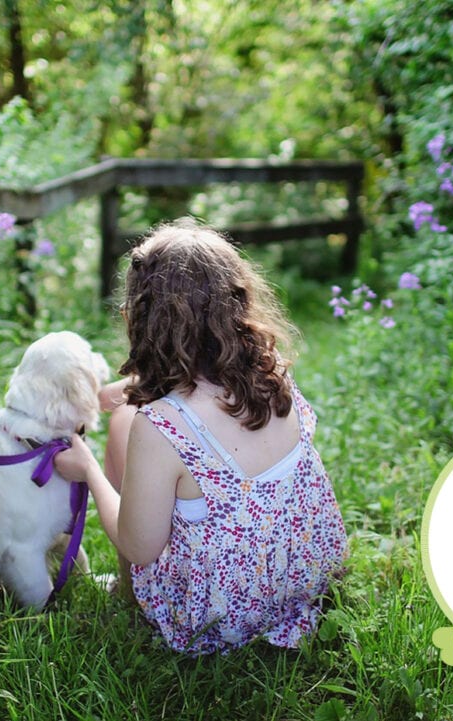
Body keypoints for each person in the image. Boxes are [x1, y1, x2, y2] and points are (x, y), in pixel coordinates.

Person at [53, 219, 347, 654]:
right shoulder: (272, 373)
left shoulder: (158, 426)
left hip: (219, 614)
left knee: (122, 424)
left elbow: (140, 547)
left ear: (139, 318)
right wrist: (118, 392)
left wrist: (90, 472)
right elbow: (195, 394)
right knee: (126, 413)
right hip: (304, 578)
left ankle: (129, 594)